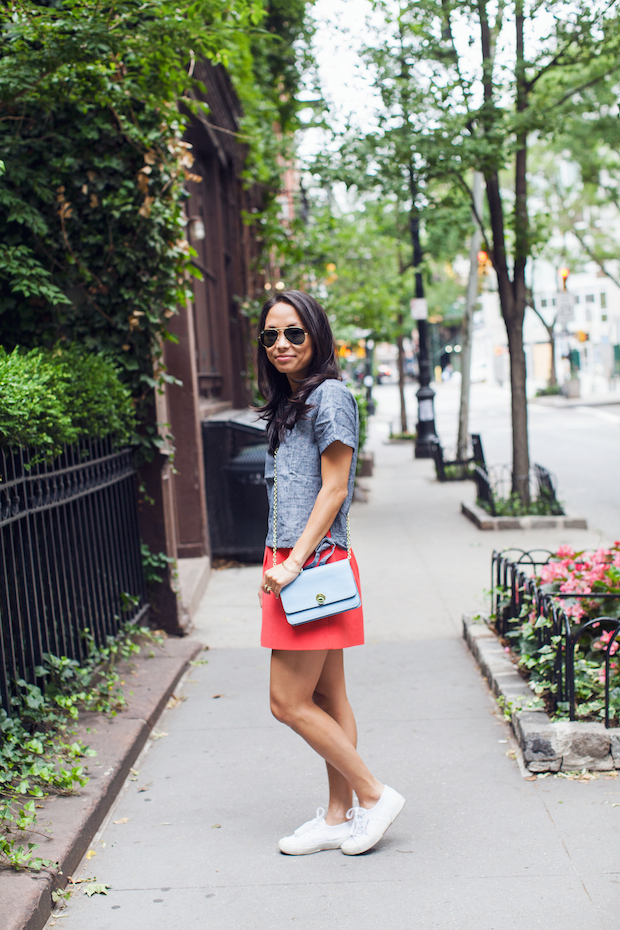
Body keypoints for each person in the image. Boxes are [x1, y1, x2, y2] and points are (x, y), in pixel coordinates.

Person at [256, 289, 405, 856]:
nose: (281, 344)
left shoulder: (331, 398)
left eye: (294, 332)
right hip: (295, 563)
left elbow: (335, 488)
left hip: (312, 566)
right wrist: (272, 558)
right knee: (329, 694)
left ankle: (372, 795)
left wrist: (291, 562)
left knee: (286, 702)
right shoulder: (293, 401)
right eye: (270, 335)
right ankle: (340, 816)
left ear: (317, 334)